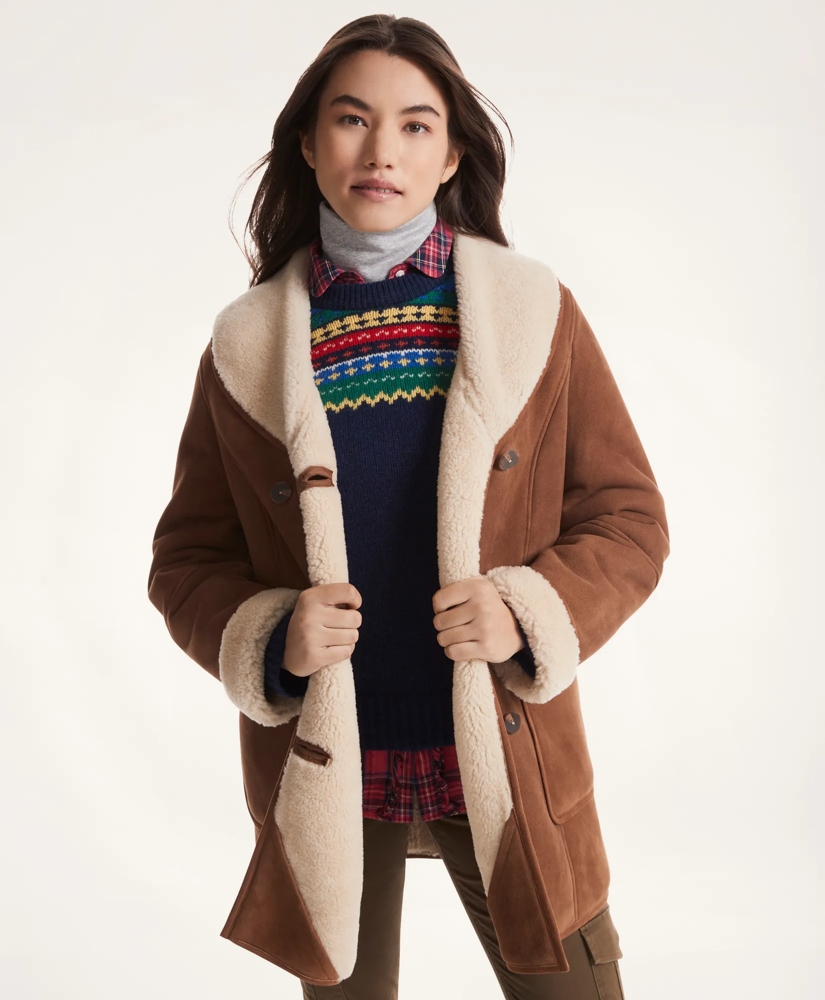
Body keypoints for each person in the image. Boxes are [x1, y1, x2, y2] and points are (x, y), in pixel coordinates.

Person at [148, 14, 669, 1000]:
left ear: (452, 153)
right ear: (309, 143)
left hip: (510, 753)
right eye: (351, 119)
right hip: (329, 765)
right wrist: (272, 637)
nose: (381, 150)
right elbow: (184, 561)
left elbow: (628, 517)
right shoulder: (246, 344)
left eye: (415, 125)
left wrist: (524, 611)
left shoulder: (531, 311)